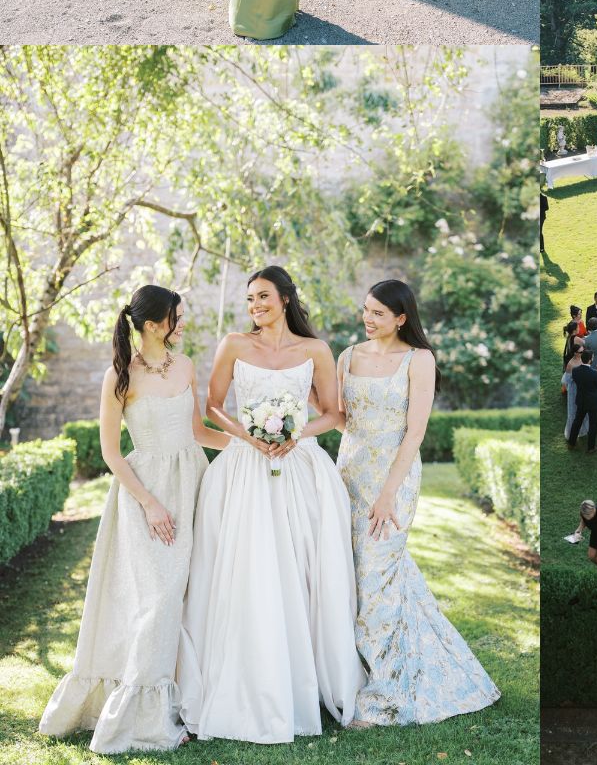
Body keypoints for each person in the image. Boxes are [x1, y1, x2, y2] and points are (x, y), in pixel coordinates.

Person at [178, 267, 362, 743]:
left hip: (300, 467)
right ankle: (245, 679)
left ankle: (308, 679)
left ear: (285, 299)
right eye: (250, 299)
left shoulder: (315, 350)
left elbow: (332, 414)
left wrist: (293, 434)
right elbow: (214, 405)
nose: (255, 305)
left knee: (302, 567)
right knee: (248, 568)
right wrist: (250, 435)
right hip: (245, 466)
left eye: (263, 296)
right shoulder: (234, 345)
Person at [39, 287, 226, 754]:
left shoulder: (184, 366)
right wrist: (150, 503)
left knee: (191, 593)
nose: (182, 324)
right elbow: (109, 452)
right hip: (147, 494)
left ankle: (190, 698)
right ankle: (142, 714)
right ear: (151, 324)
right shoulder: (119, 376)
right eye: (175, 317)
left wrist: (249, 445)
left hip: (193, 482)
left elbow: (199, 431)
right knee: (158, 599)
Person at [336, 279, 499, 725]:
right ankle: (347, 675)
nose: (367, 320)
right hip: (347, 473)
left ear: (401, 318)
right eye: (365, 310)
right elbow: (340, 418)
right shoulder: (347, 356)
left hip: (395, 477)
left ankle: (384, 696)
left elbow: (415, 432)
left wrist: (388, 494)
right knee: (353, 576)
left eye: (378, 314)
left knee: (376, 576)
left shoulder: (419, 360)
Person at [567, 349, 597, 452]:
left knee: (577, 421)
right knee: (593, 424)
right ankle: (591, 447)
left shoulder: (575, 371)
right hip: (594, 402)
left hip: (581, 400)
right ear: (590, 360)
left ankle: (571, 442)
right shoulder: (595, 373)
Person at [561, 339, 585, 439]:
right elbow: (566, 380)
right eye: (581, 352)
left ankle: (583, 429)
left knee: (583, 409)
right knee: (573, 410)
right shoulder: (570, 364)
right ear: (575, 353)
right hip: (574, 389)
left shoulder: (583, 358)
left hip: (583, 387)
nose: (582, 353)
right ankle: (572, 432)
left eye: (583, 351)